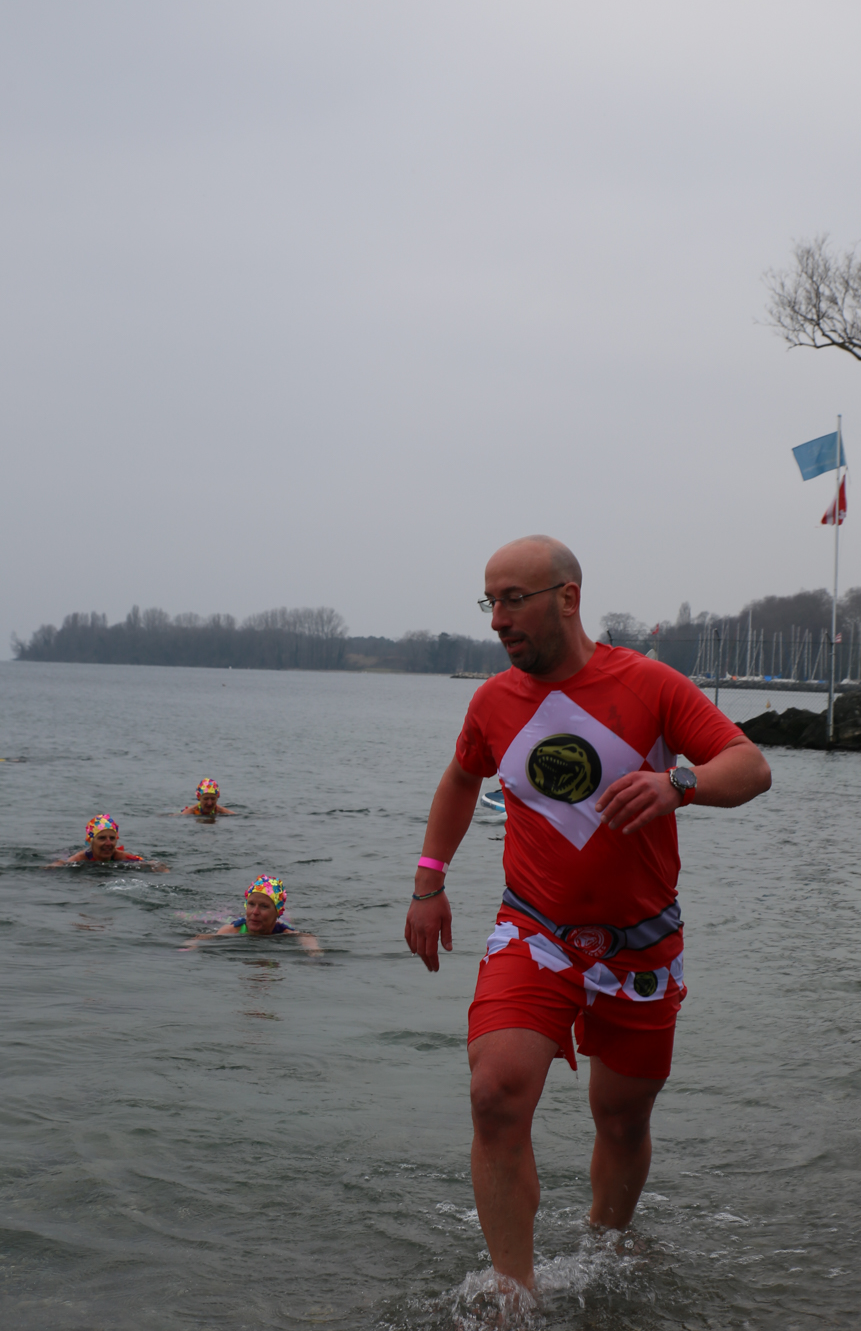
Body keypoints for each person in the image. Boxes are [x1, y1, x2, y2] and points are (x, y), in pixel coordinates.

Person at [405, 535, 771, 1291]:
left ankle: (607, 1247)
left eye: (513, 600)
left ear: (567, 598)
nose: (497, 620)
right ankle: (513, 1291)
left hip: (641, 945)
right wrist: (428, 885)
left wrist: (678, 783)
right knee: (494, 1094)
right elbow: (461, 779)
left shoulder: (650, 685)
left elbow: (750, 767)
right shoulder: (493, 701)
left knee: (622, 1118)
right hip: (534, 929)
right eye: (490, 602)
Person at [185, 875, 321, 953]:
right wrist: (190, 945)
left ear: (276, 912)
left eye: (264, 906)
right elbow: (204, 938)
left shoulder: (283, 932)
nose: (255, 912)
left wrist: (314, 951)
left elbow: (307, 937)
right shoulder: (232, 930)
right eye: (251, 904)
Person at [49, 814, 169, 871]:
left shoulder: (120, 856)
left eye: (112, 838)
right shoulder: (80, 857)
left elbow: (149, 863)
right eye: (102, 838)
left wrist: (158, 867)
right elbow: (61, 864)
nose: (108, 843)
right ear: (91, 841)